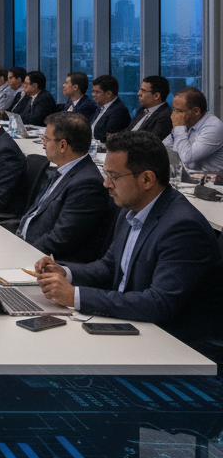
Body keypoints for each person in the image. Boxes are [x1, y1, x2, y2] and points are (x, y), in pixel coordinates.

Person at [34, 130, 222, 351]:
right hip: (127, 321)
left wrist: (75, 296)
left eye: (113, 176)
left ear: (146, 179)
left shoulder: (182, 228)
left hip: (168, 342)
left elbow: (158, 304)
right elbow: (110, 266)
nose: (105, 184)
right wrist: (65, 272)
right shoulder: (130, 209)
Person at [15, 112, 112, 262]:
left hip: (46, 262)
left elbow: (60, 239)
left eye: (46, 139)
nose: (43, 144)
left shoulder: (87, 184)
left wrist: (19, 252)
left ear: (63, 145)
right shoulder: (61, 170)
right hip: (24, 245)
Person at [164, 86, 223, 173]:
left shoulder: (213, 127)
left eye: (179, 111)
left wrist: (179, 127)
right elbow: (164, 148)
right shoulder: (187, 123)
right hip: (186, 179)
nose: (174, 115)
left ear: (196, 111)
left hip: (210, 183)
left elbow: (187, 157)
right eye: (174, 110)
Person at [126, 75, 173, 140]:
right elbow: (127, 131)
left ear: (156, 96)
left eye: (143, 91)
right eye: (140, 90)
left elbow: (151, 142)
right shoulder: (142, 110)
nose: (139, 93)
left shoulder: (165, 116)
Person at [90, 74, 131, 142]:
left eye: (97, 92)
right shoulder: (101, 106)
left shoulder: (119, 111)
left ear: (108, 93)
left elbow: (106, 137)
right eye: (93, 91)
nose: (93, 95)